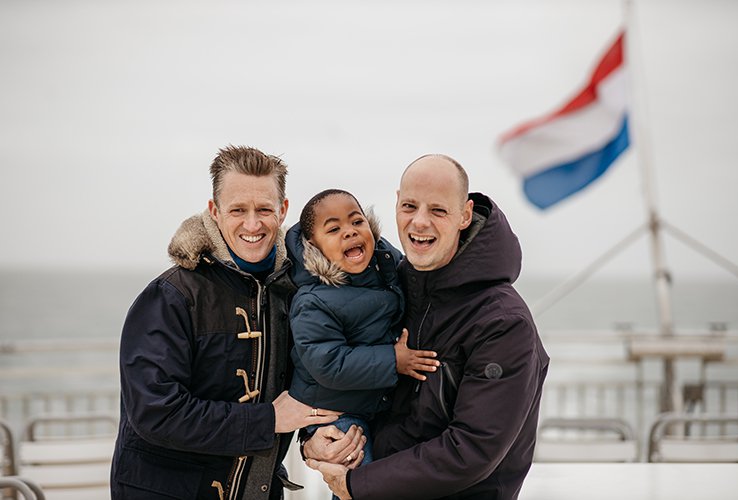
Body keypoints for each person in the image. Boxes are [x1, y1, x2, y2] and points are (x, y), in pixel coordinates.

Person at [305, 154, 550, 500]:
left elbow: (472, 448)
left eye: (437, 210)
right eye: (409, 206)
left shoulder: (504, 322)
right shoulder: (389, 290)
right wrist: (315, 439)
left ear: (464, 215)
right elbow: (342, 382)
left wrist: (359, 486)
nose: (419, 222)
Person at [110, 145, 340, 500]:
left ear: (283, 210)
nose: (252, 224)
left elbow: (308, 383)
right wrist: (268, 421)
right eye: (238, 210)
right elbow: (155, 412)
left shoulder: (298, 294)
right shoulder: (170, 296)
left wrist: (313, 438)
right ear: (215, 212)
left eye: (264, 209)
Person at [285, 189, 439, 468]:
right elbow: (329, 364)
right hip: (335, 411)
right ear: (313, 245)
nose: (350, 232)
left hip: (377, 403)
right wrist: (394, 360)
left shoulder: (387, 265)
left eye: (357, 222)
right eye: (333, 229)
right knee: (358, 472)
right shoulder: (313, 300)